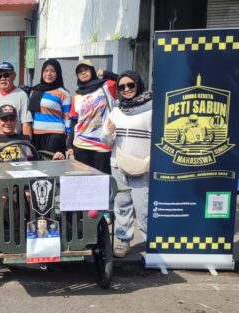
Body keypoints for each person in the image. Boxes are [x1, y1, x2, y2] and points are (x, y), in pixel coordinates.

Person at [102, 70, 152, 258]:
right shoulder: (116, 110)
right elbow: (106, 141)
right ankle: (124, 241)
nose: (126, 89)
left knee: (143, 207)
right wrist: (108, 132)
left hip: (143, 166)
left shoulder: (152, 109)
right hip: (119, 165)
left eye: (130, 85)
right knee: (122, 205)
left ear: (138, 84)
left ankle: (150, 243)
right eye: (122, 87)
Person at [67, 59, 117, 174]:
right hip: (80, 144)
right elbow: (74, 121)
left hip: (102, 144)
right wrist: (69, 145)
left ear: (92, 71)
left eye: (86, 70)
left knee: (102, 182)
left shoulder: (106, 86)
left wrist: (106, 74)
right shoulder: (77, 95)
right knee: (84, 183)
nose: (83, 73)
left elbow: (126, 80)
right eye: (80, 72)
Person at [28, 59, 71, 159]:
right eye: (46, 71)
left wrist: (69, 141)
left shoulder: (63, 93)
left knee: (52, 167)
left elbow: (67, 117)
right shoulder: (34, 90)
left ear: (58, 73)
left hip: (55, 135)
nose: (49, 74)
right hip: (36, 134)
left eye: (52, 71)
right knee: (36, 166)